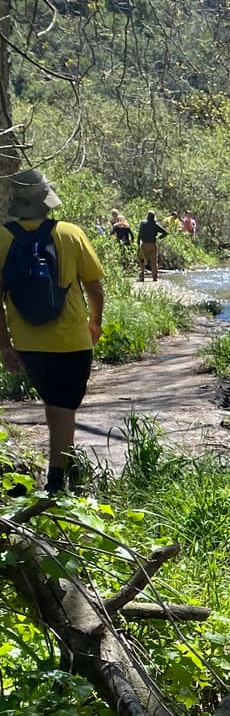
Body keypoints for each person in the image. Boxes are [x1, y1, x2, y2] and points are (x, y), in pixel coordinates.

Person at [0, 169, 105, 494]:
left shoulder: (2, 238)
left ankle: (62, 471)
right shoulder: (70, 234)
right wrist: (95, 323)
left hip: (28, 341)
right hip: (72, 340)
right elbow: (95, 289)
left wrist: (4, 345)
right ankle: (60, 478)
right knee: (63, 406)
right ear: (47, 201)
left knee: (54, 401)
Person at [136, 210, 167, 281]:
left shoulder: (143, 223)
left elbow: (140, 234)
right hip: (153, 244)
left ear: (147, 216)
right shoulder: (155, 224)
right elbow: (165, 232)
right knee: (153, 261)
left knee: (142, 260)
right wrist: (158, 238)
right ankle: (155, 277)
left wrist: (138, 243)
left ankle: (142, 276)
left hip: (144, 244)